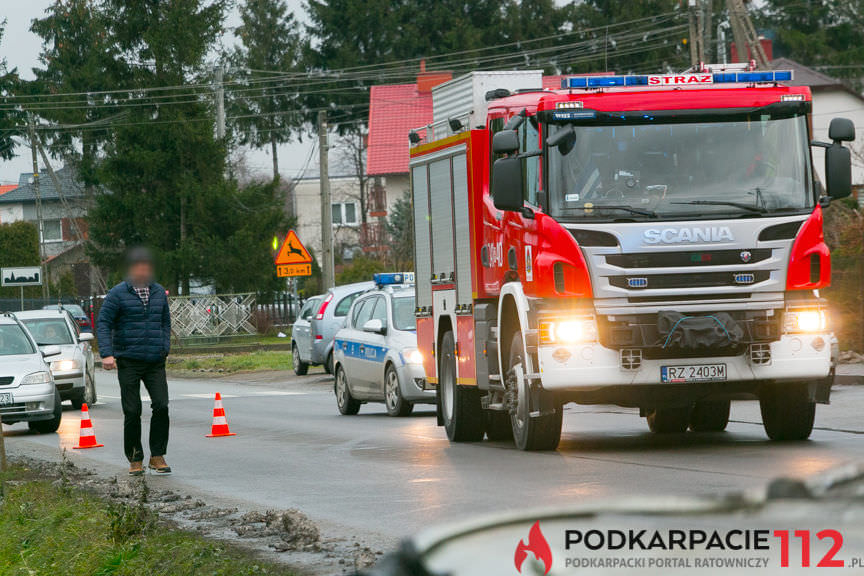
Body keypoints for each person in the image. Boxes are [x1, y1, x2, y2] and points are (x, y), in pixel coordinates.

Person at [96, 247, 172, 476]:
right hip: (128, 359)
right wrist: (106, 354)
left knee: (161, 405)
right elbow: (104, 323)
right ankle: (135, 458)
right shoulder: (118, 293)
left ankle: (157, 456)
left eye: (146, 266)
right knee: (132, 410)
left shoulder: (158, 292)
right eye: (139, 266)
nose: (143, 270)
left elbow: (165, 323)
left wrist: (164, 347)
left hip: (154, 360)